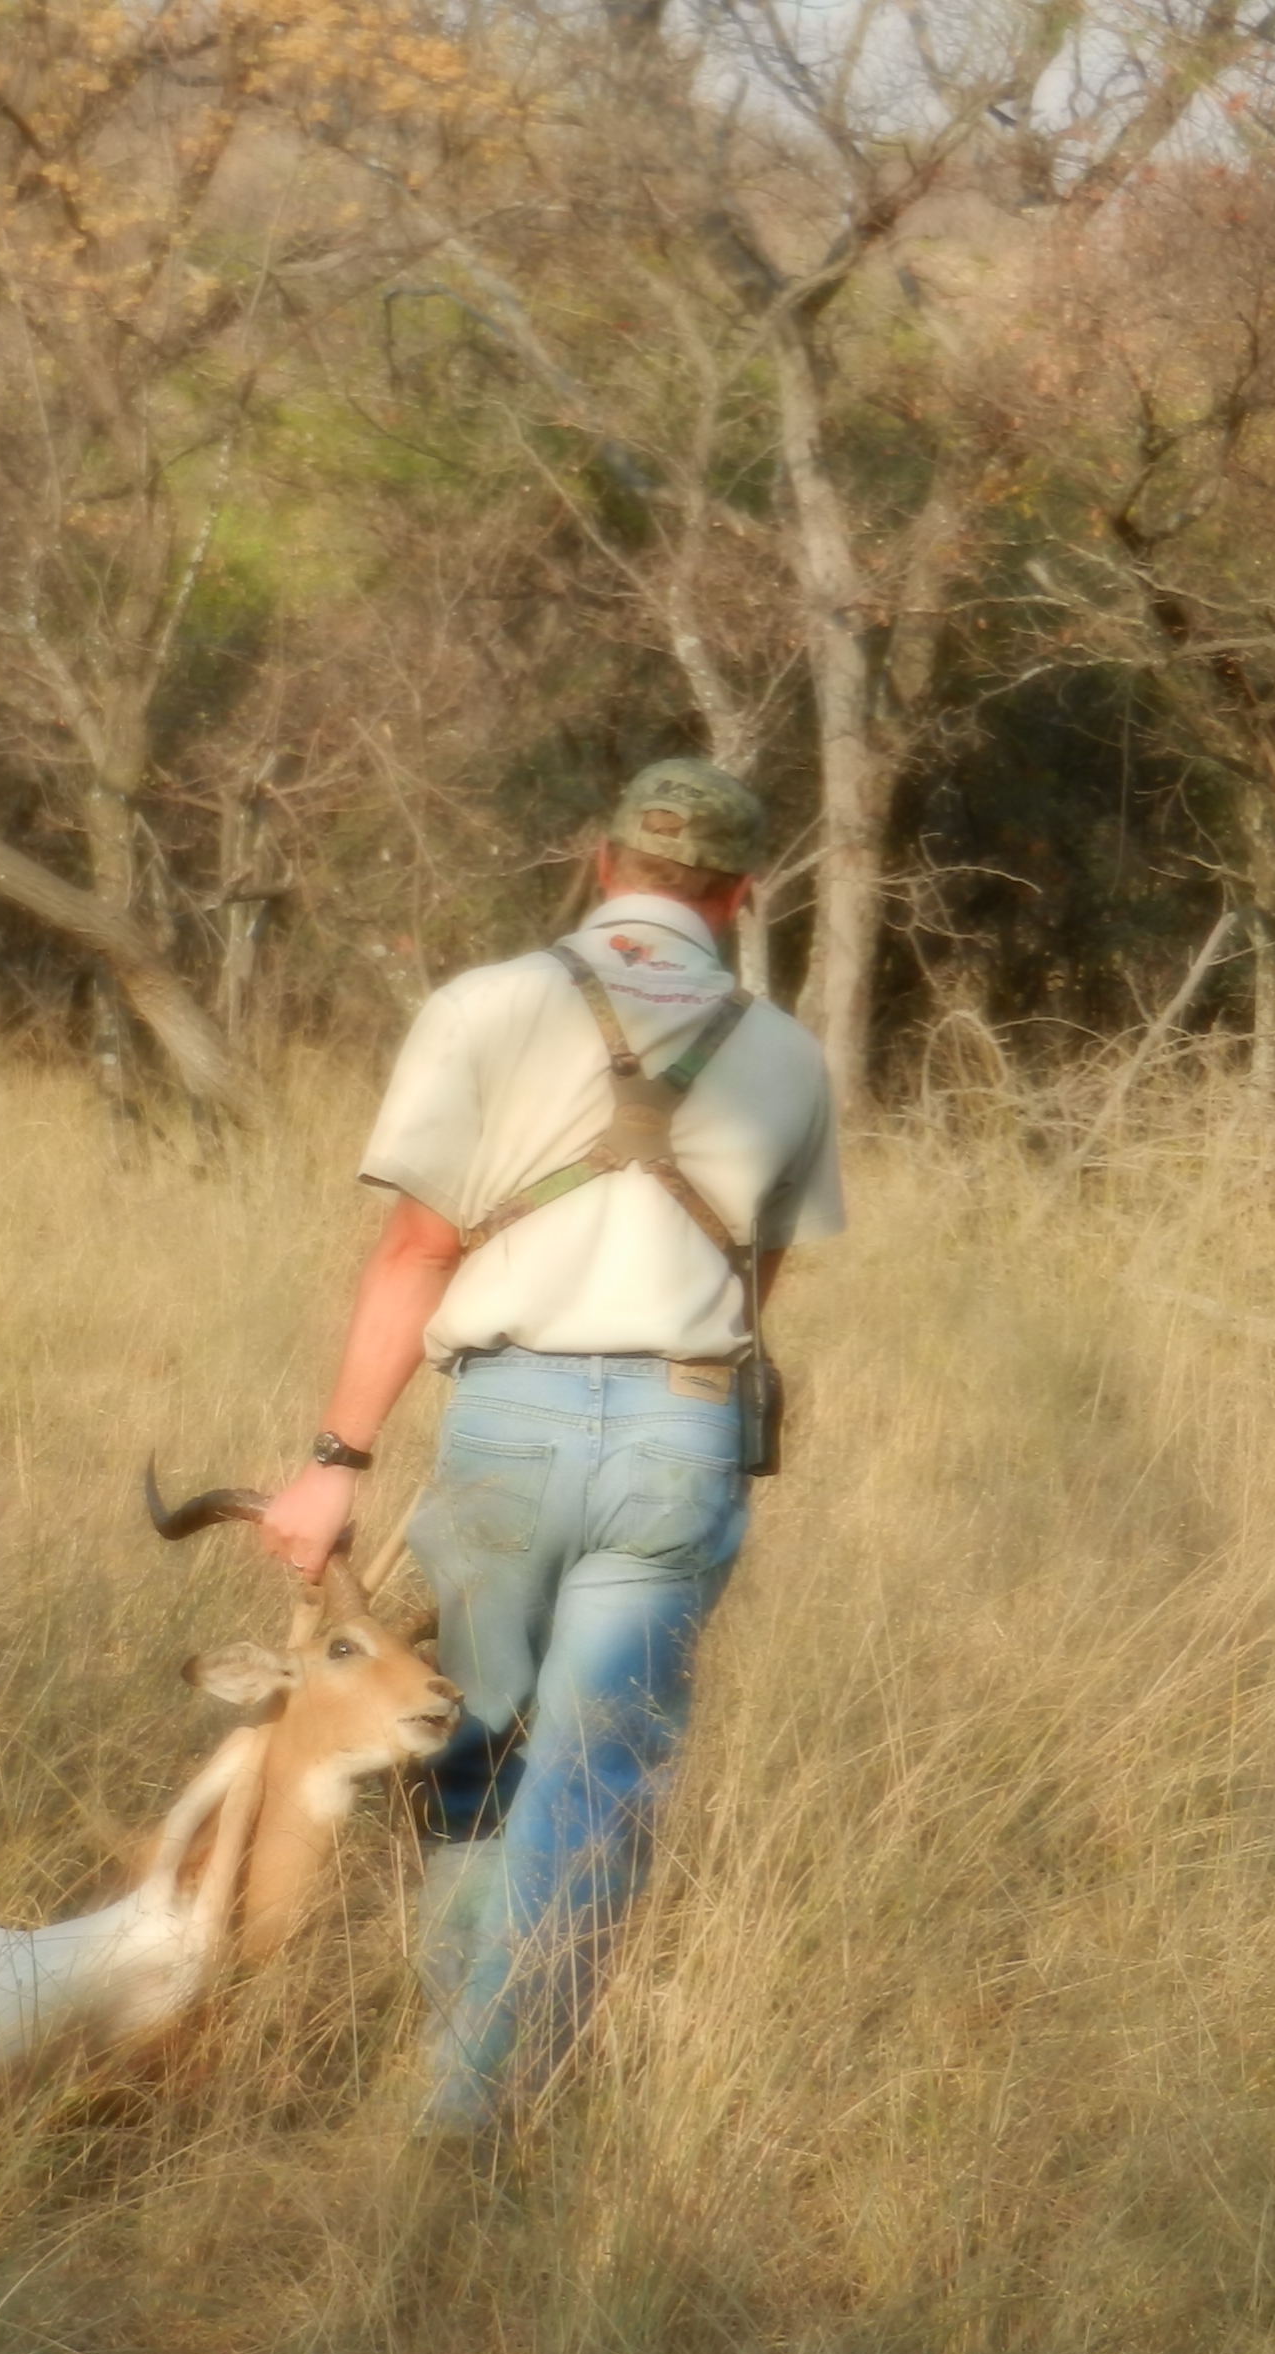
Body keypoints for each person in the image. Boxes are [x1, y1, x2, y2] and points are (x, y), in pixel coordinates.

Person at [254, 758, 842, 2138]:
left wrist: (336, 1457)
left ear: (601, 864)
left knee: (470, 1742)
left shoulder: (489, 1004)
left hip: (506, 1419)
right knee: (603, 1770)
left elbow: (416, 1247)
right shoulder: (786, 1051)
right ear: (742, 894)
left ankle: (455, 2051)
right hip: (682, 1429)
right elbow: (760, 1283)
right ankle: (483, 2102)